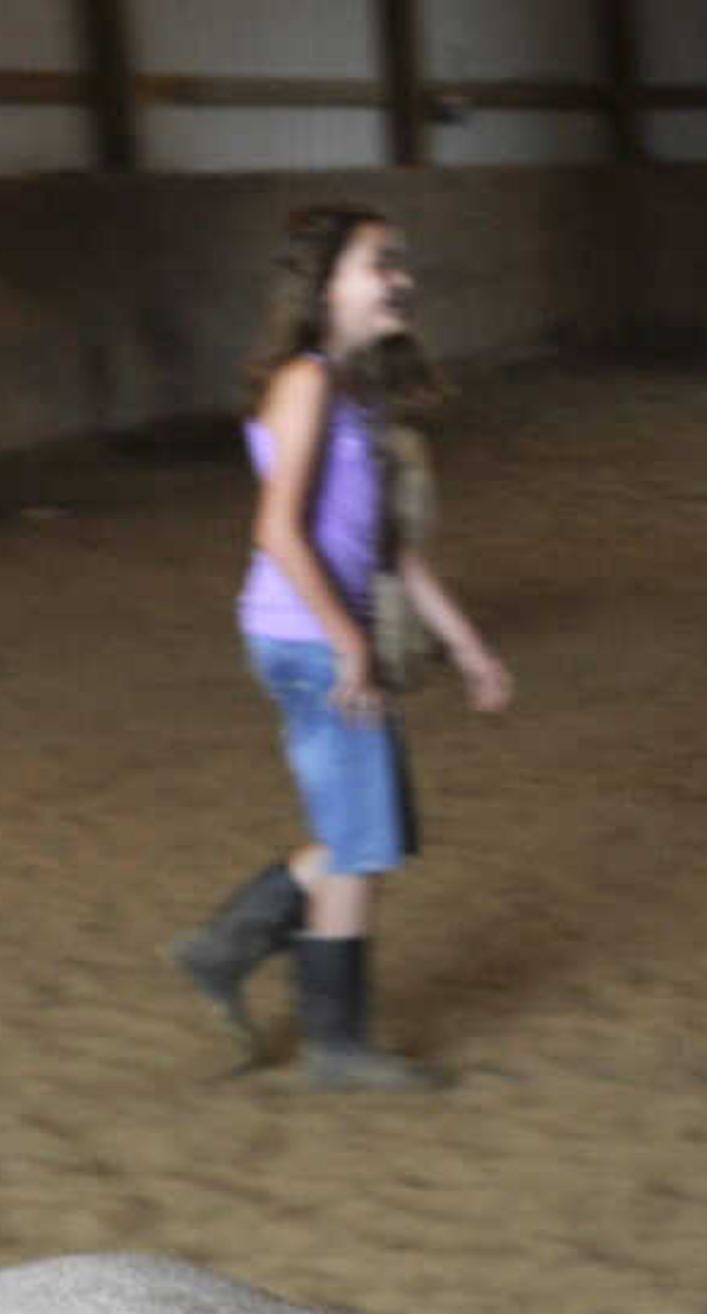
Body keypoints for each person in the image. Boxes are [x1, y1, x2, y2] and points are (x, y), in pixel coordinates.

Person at [172, 204, 510, 1091]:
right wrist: (348, 642)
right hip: (306, 637)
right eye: (378, 263)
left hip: (315, 635)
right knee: (362, 842)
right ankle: (332, 1041)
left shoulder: (355, 393)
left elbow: (391, 546)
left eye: (400, 261)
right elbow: (279, 532)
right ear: (326, 286)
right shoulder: (309, 384)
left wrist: (467, 645)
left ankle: (231, 950)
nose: (400, 276)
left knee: (362, 834)